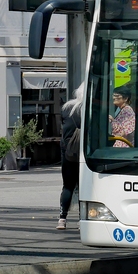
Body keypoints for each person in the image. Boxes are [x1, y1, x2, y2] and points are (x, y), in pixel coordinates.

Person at [57, 85, 83, 230]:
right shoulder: (88, 109)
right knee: (83, 187)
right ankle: (82, 218)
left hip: (68, 152)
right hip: (84, 153)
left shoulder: (66, 108)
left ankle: (62, 218)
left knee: (67, 186)